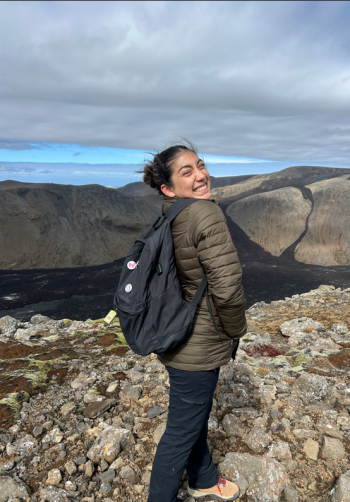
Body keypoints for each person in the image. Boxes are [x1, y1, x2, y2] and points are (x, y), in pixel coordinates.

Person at [140, 142, 247, 502]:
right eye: (187, 172)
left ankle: (203, 479)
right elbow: (228, 289)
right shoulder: (206, 214)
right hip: (198, 346)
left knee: (193, 416)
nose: (201, 175)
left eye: (200, 166)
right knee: (181, 431)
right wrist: (234, 333)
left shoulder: (172, 213)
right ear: (167, 187)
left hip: (174, 335)